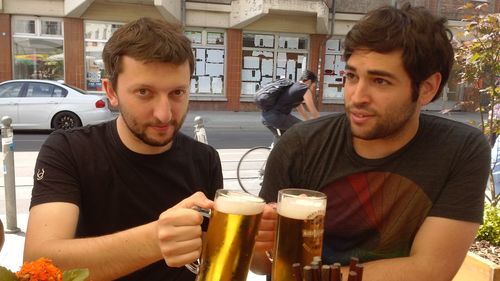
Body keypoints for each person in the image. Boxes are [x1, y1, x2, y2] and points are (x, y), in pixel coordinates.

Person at [252, 3, 491, 280]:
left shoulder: (460, 149)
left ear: (427, 88)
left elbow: (431, 270)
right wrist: (259, 245)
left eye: (380, 81)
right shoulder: (299, 144)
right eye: (352, 76)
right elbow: (262, 265)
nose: (357, 96)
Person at [23, 17, 223, 281]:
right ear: (111, 91)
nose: (164, 115)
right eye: (144, 92)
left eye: (177, 93)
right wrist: (155, 239)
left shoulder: (205, 159)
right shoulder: (69, 150)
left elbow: (213, 259)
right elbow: (39, 262)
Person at [261, 70, 320, 142]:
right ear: (309, 81)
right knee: (303, 128)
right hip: (278, 117)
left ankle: (277, 152)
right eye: (314, 86)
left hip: (266, 117)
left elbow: (300, 108)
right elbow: (314, 112)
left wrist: (307, 120)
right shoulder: (304, 89)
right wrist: (321, 123)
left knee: (283, 141)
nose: (313, 89)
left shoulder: (294, 87)